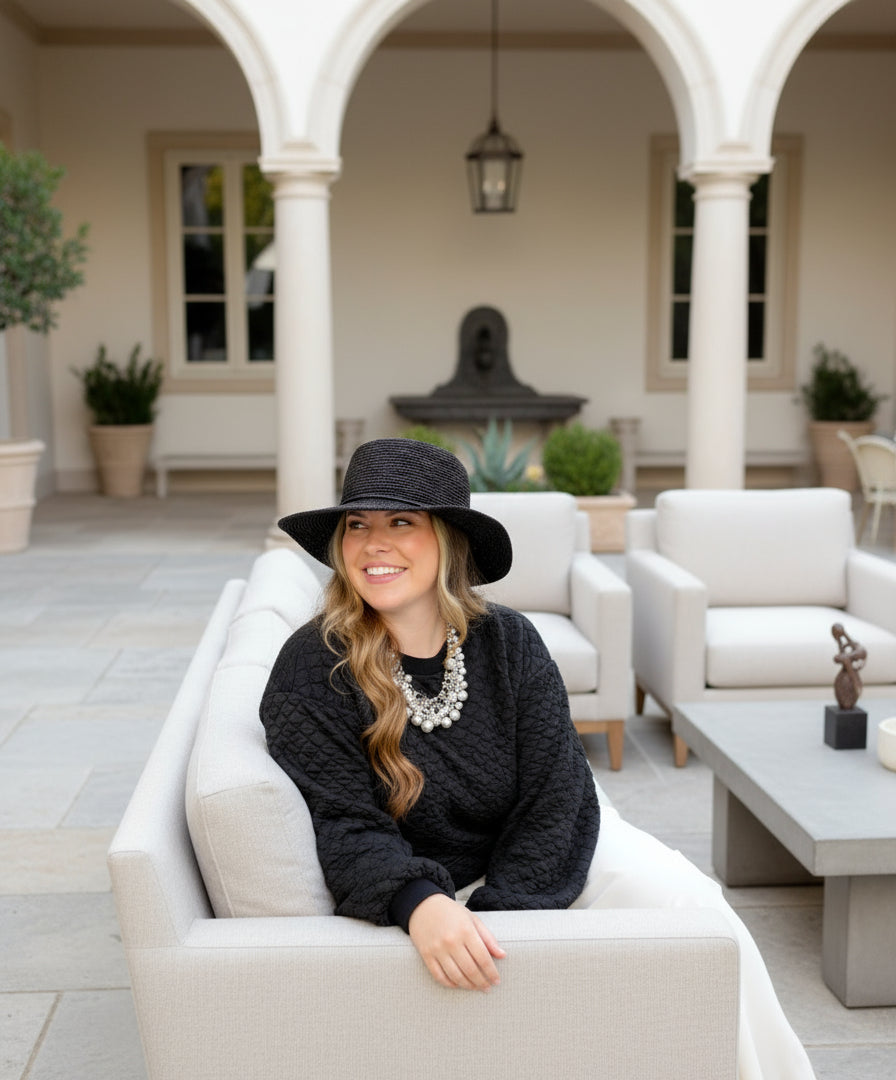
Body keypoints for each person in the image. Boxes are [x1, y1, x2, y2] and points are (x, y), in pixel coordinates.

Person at [260, 438, 816, 1080]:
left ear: (448, 542)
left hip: (555, 840)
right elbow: (344, 823)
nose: (373, 544)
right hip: (433, 882)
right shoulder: (314, 666)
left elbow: (557, 792)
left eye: (401, 523)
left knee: (702, 915)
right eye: (358, 525)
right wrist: (420, 903)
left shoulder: (509, 641)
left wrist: (514, 913)